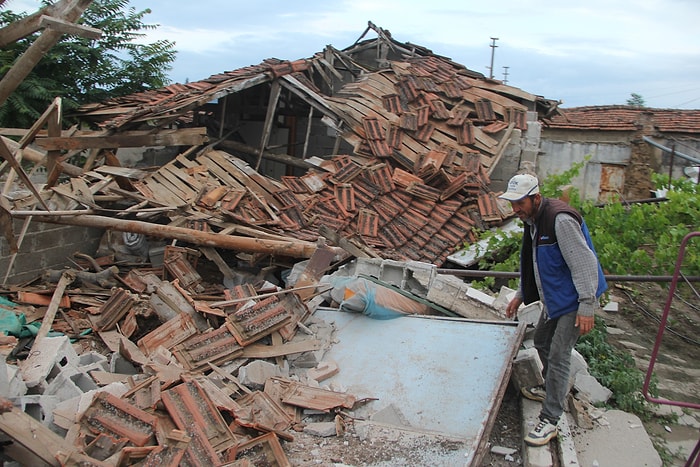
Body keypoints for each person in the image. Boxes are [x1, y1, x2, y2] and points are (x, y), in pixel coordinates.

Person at [499, 173, 607, 447]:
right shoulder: (533, 221)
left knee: (559, 354)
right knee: (543, 341)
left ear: (536, 198)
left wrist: (586, 305)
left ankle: (550, 419)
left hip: (573, 299)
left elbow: (584, 263)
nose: (515, 209)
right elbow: (538, 263)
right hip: (555, 298)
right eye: (512, 203)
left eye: (519, 203)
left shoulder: (560, 220)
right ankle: (552, 387)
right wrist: (522, 294)